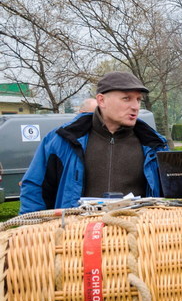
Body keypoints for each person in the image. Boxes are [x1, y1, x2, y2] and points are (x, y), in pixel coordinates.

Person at [19, 72, 168, 214]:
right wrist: (33, 229)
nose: (135, 106)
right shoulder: (62, 140)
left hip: (137, 236)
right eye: (126, 99)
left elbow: (173, 198)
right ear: (101, 100)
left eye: (138, 99)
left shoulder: (155, 145)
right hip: (76, 236)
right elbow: (34, 189)